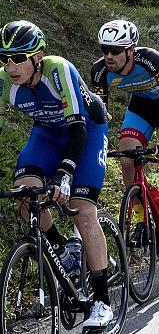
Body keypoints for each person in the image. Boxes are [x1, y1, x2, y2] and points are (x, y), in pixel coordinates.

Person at [0, 20, 113, 327]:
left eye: (18, 58)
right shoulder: (4, 81)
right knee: (25, 195)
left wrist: (65, 172)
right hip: (47, 134)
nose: (10, 66)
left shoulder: (58, 70)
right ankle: (62, 249)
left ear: (37, 57)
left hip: (86, 131)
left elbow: (77, 128)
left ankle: (102, 303)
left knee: (83, 212)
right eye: (4, 58)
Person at [92, 20, 159, 247]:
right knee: (126, 159)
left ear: (131, 50)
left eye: (115, 51)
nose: (108, 56)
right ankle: (143, 218)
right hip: (141, 106)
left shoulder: (150, 60)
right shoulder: (100, 71)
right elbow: (101, 115)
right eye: (104, 50)